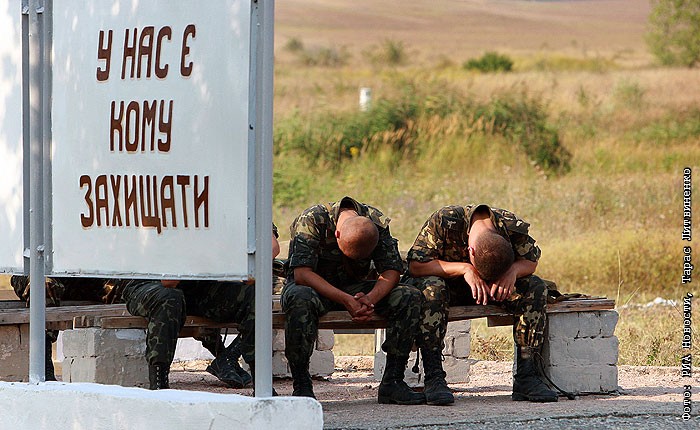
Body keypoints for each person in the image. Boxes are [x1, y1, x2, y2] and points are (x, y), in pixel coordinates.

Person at [404, 203, 558, 404]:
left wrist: (512, 272)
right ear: (471, 251)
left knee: (535, 286)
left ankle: (527, 376)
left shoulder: (510, 225)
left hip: (494, 286)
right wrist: (466, 269)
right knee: (433, 289)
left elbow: (530, 261)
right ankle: (434, 378)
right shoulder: (445, 220)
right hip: (449, 287)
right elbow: (416, 266)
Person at [281, 196, 424, 404]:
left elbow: (391, 270)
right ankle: (302, 385)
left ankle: (393, 381)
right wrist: (345, 300)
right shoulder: (312, 220)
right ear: (337, 234)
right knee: (299, 298)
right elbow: (302, 274)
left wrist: (370, 299)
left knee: (409, 296)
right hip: (314, 287)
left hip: (356, 289)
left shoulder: (376, 222)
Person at [121, 224, 281, 390]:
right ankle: (159, 385)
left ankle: (261, 385)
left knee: (256, 296)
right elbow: (169, 281)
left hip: (198, 285)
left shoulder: (237, 210)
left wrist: (249, 265)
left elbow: (271, 246)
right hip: (149, 282)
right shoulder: (182, 213)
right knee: (170, 298)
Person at [10, 275, 112, 381]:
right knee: (42, 282)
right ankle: (43, 364)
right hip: (36, 274)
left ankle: (115, 363)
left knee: (118, 283)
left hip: (82, 277)